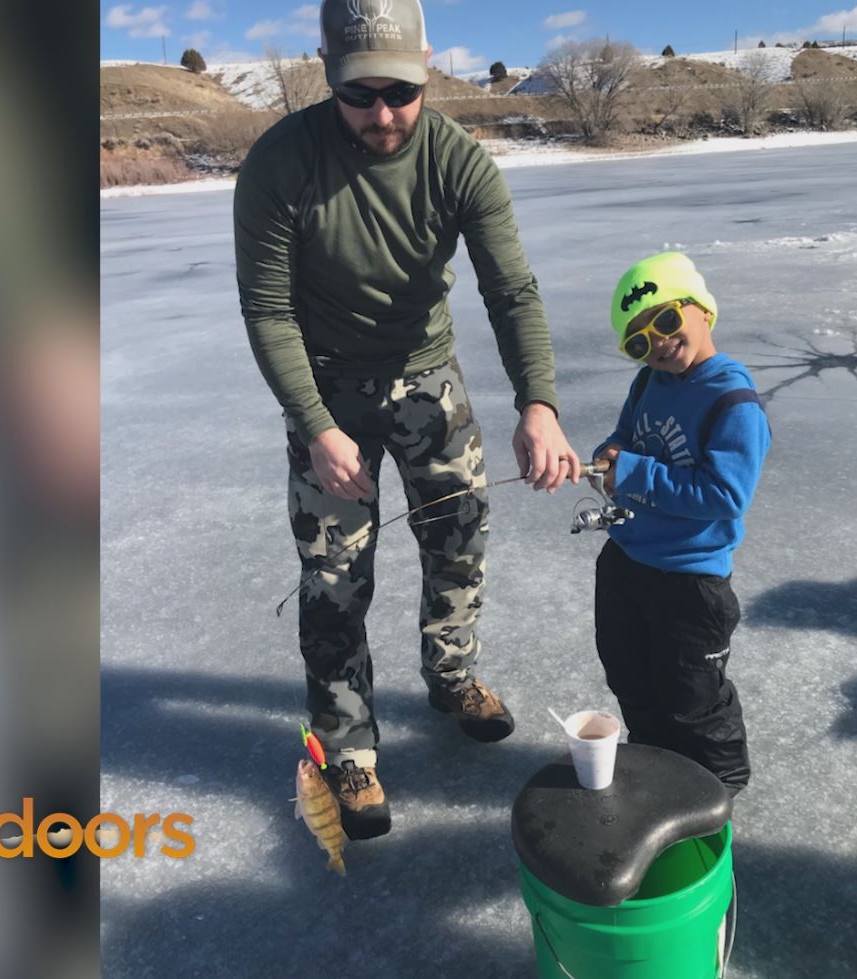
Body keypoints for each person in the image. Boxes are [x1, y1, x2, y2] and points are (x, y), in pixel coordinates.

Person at [234, 0, 581, 839]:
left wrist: (539, 403)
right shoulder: (281, 164)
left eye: (400, 91)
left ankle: (451, 674)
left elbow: (511, 291)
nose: (383, 114)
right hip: (326, 387)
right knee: (333, 576)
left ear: (427, 66)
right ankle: (347, 745)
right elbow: (268, 310)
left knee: (459, 537)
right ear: (327, 71)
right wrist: (316, 426)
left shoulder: (459, 161)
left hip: (429, 376)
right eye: (359, 95)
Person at [590, 253, 771, 797]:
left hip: (691, 581)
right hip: (627, 561)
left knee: (693, 699)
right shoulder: (650, 381)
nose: (659, 343)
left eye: (667, 320)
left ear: (702, 310)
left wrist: (634, 472)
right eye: (639, 341)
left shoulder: (732, 401)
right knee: (629, 674)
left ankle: (718, 789)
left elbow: (725, 495)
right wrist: (610, 454)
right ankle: (656, 766)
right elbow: (626, 435)